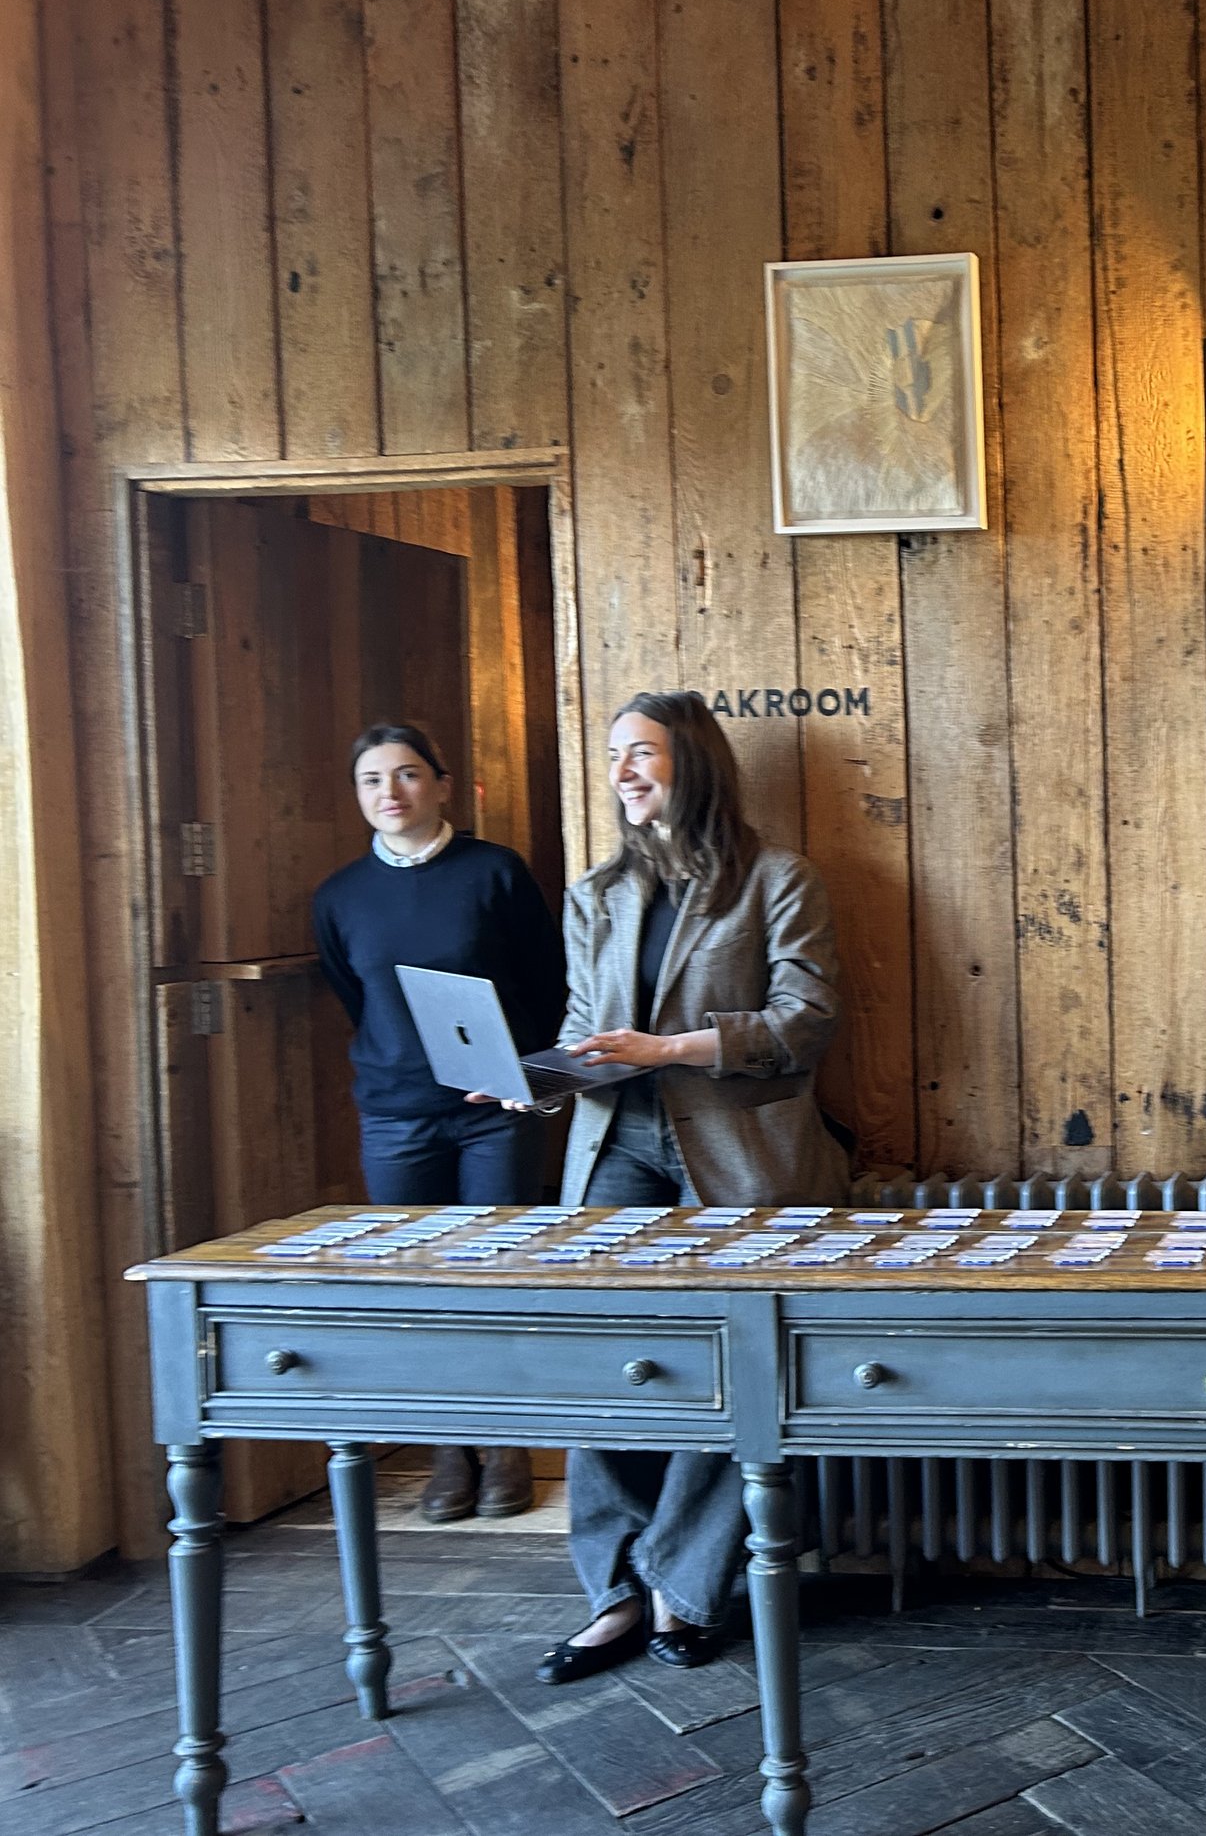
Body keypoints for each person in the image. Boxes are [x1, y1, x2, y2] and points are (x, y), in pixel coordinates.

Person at [522, 690, 851, 1684]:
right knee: (598, 1357)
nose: (622, 771)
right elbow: (590, 1030)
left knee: (728, 1362)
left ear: (692, 764)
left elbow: (807, 1020)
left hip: (739, 1157)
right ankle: (615, 1590)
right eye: (615, 755)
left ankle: (685, 1585)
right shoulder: (595, 895)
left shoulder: (778, 881)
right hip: (616, 1141)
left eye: (643, 754)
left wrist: (668, 1047)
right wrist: (533, 1079)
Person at [314, 723, 565, 1524]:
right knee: (417, 1285)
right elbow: (358, 1001)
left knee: (496, 1277)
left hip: (494, 1109)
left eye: (410, 773)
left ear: (444, 784)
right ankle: (450, 1450)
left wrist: (522, 1076)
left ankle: (508, 1449)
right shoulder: (339, 895)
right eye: (372, 779)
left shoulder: (494, 871)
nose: (391, 791)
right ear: (357, 795)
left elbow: (544, 982)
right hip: (395, 1114)